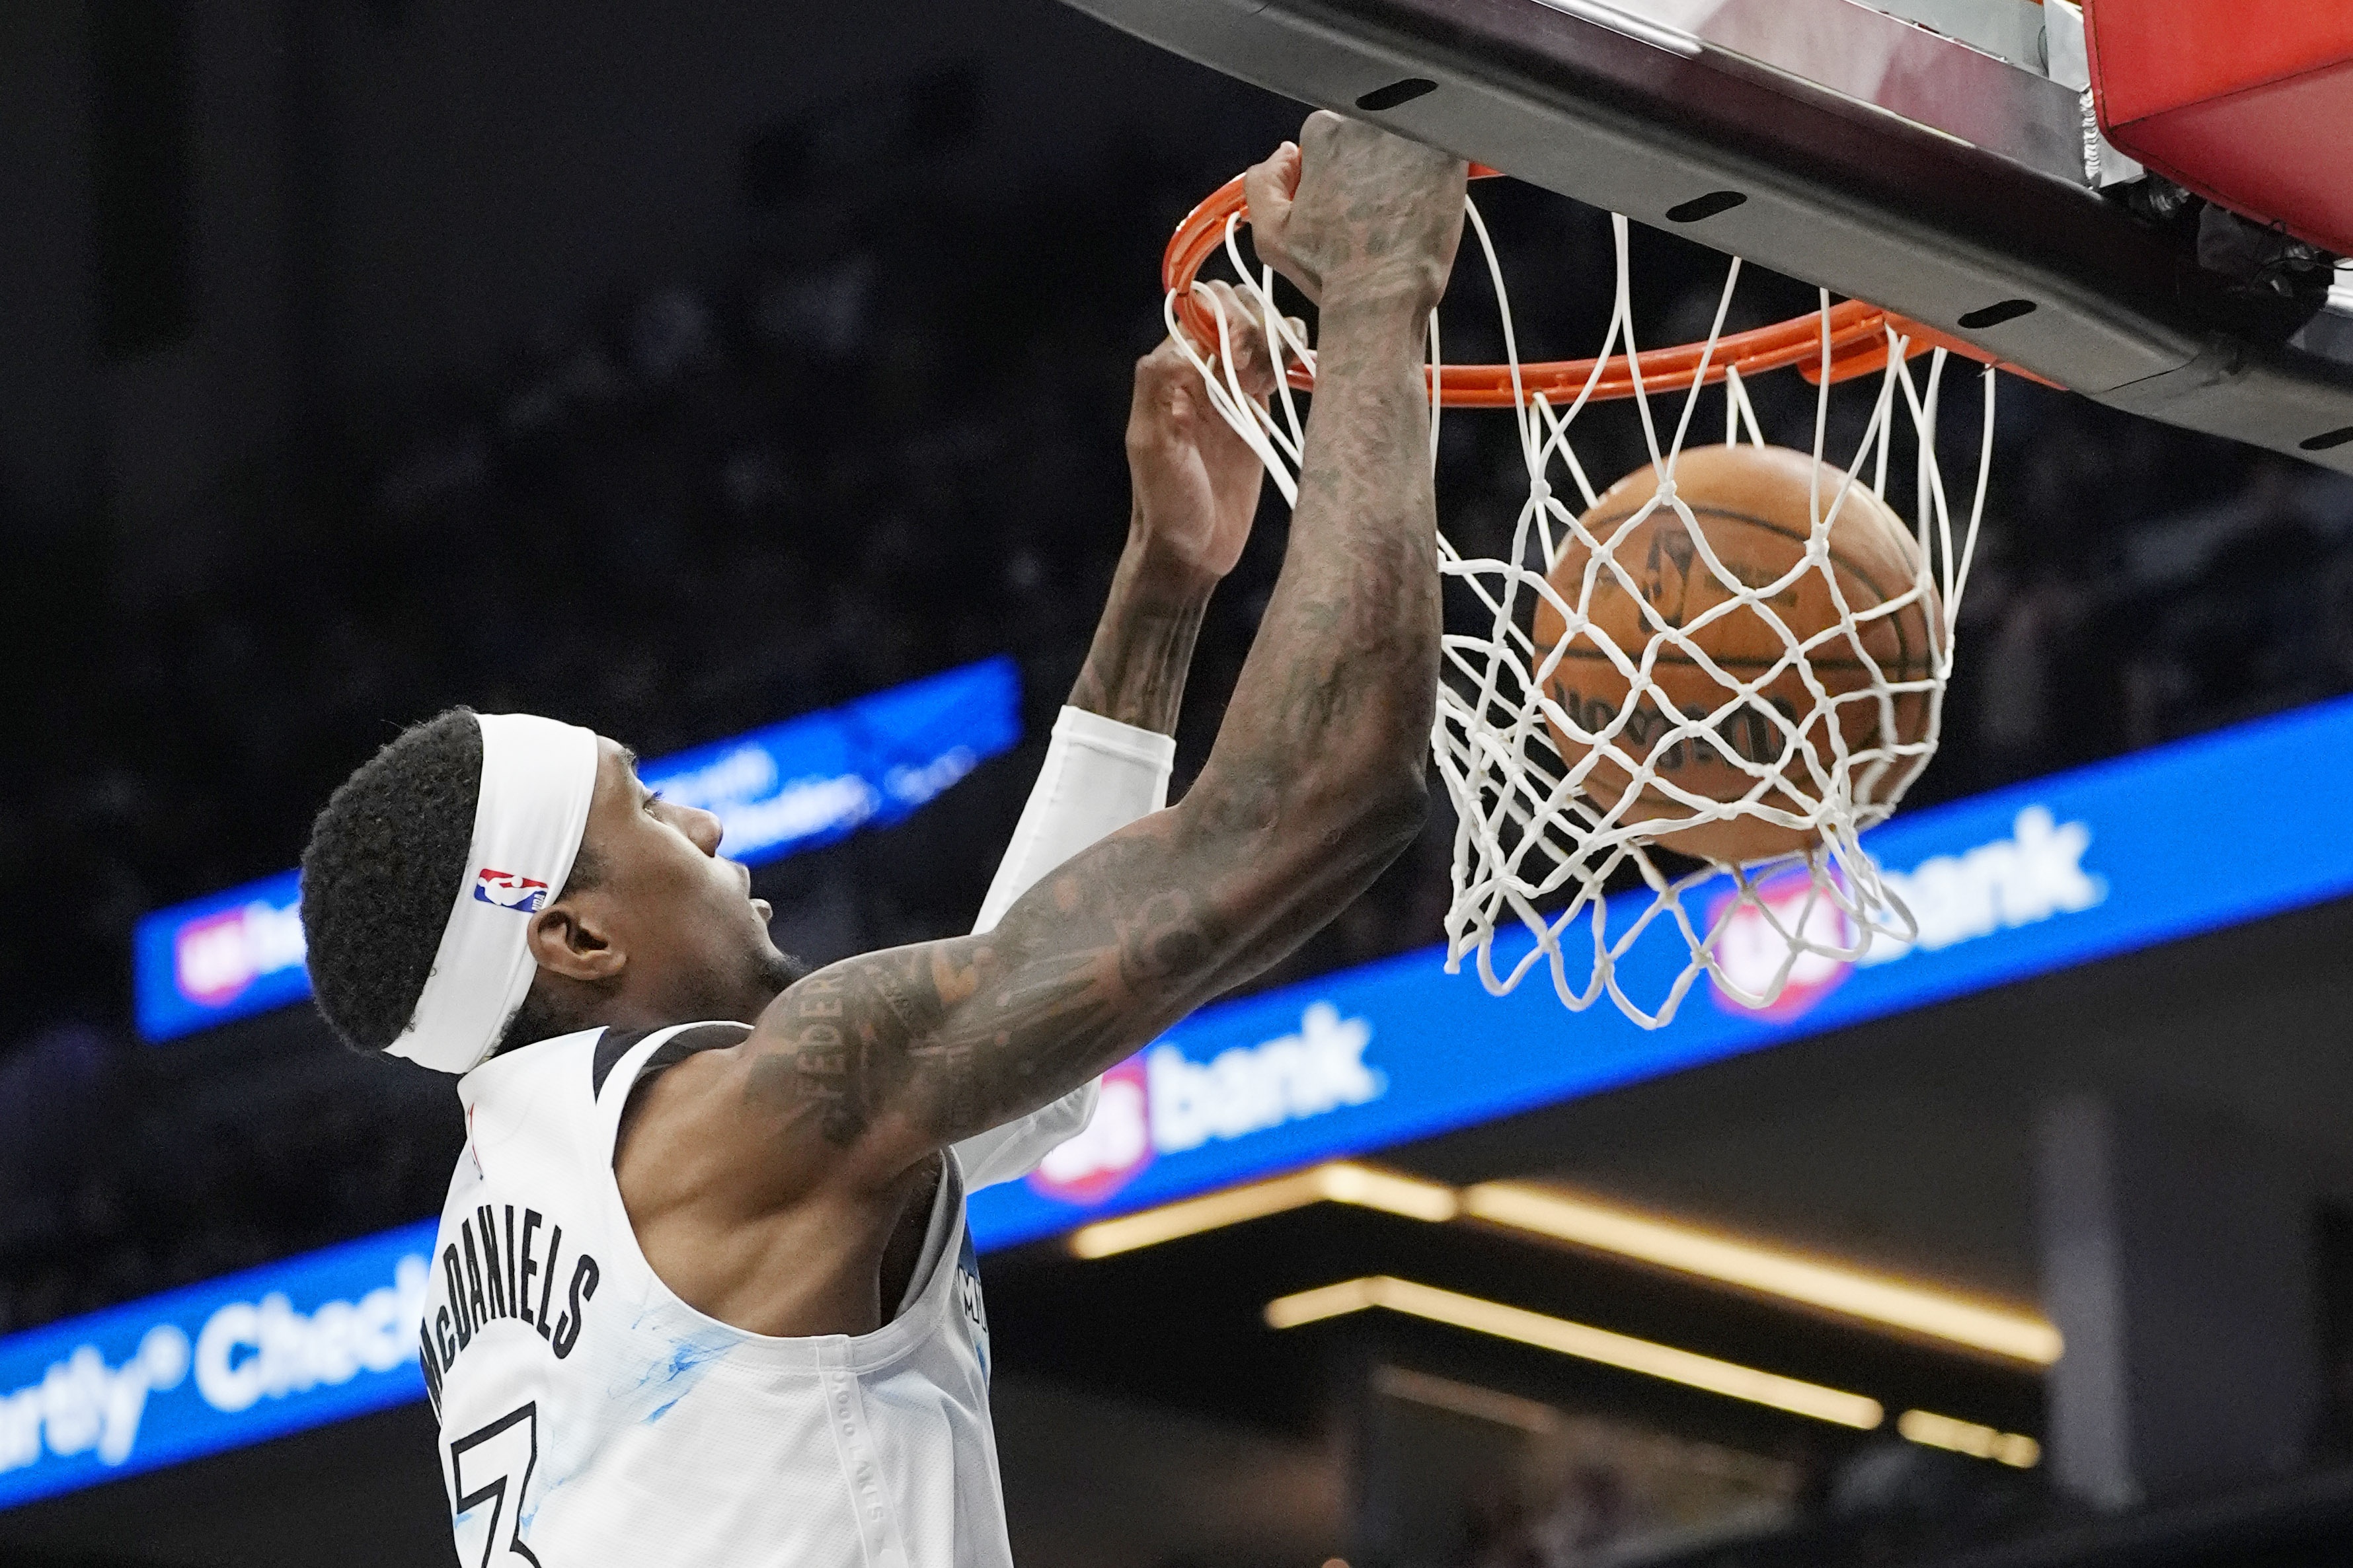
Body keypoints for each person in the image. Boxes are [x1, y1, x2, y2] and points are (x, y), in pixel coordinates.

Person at [297, 114, 1465, 1568]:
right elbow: (1324, 792)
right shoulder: (736, 1130)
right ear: (576, 934)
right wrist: (1378, 289)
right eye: (644, 804)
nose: (702, 821)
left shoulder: (524, 1219)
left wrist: (1164, 588)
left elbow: (1016, 1063)